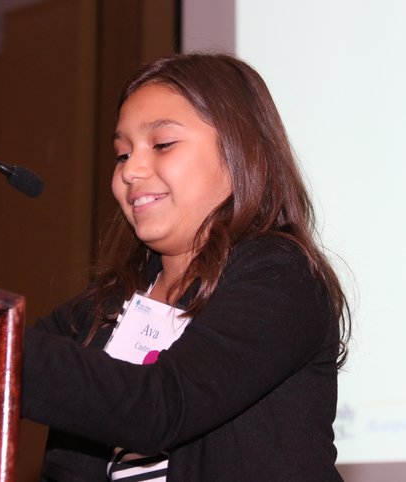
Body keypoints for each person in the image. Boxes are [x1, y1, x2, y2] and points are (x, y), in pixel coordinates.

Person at [21, 52, 350, 481]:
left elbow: (159, 408)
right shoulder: (103, 306)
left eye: (162, 144)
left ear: (239, 152)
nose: (131, 171)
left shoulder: (281, 275)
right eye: (122, 154)